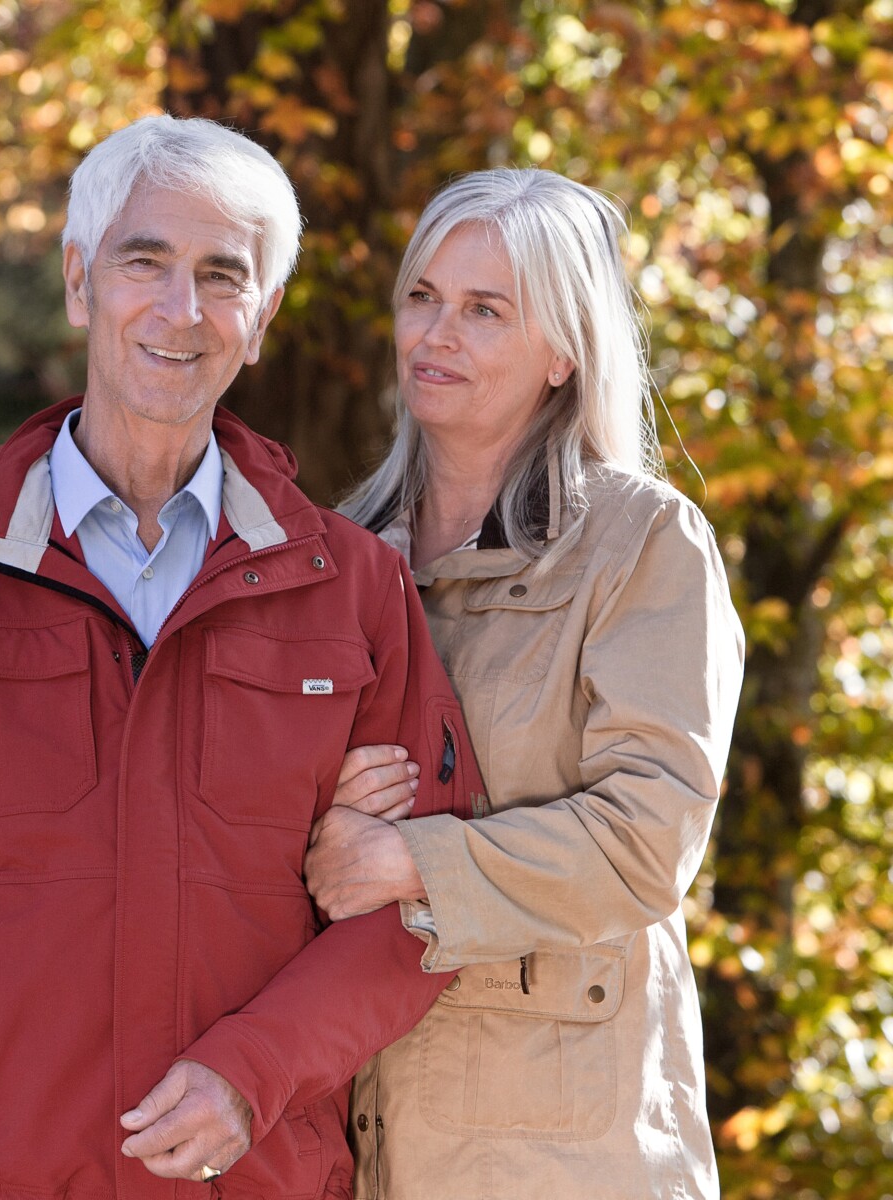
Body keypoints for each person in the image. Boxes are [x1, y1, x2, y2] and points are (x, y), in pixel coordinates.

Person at [0, 115, 481, 1200]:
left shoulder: (351, 593)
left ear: (263, 319)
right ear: (78, 281)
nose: (179, 310)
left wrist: (253, 1075)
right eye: (142, 261)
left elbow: (424, 906)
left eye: (221, 276)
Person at [303, 168, 745, 1198]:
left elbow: (647, 841)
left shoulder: (643, 545)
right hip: (355, 1131)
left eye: (484, 310)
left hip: (565, 1149)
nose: (437, 333)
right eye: (423, 298)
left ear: (563, 351)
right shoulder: (337, 555)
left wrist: (408, 860)